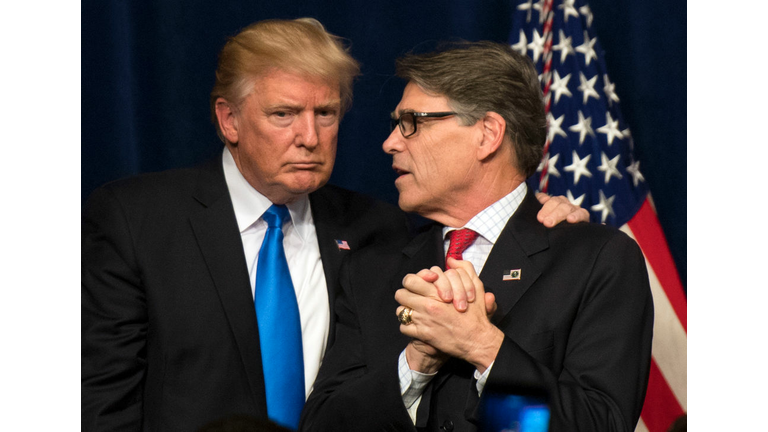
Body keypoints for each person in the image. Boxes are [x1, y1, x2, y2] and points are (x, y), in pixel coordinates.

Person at [81, 19, 586, 432]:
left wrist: (529, 209)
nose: (309, 136)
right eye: (284, 114)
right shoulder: (135, 221)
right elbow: (101, 401)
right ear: (229, 120)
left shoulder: (384, 230)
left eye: (326, 113)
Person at [300, 41, 654, 432]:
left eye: (412, 123)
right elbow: (322, 425)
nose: (390, 143)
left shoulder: (596, 261)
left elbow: (597, 425)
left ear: (487, 134)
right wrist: (414, 364)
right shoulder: (371, 269)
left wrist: (482, 347)